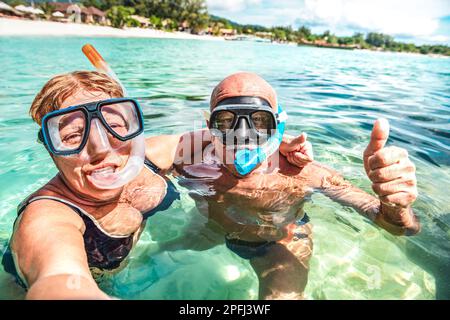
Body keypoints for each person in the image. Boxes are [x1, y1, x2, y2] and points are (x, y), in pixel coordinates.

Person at [2, 70, 311, 299]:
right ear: (50, 148)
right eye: (71, 136)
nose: (101, 149)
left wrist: (271, 141)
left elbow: (215, 134)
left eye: (116, 127)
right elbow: (59, 279)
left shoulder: (147, 156)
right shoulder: (48, 217)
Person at [146, 72, 420, 300]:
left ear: (277, 126)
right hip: (212, 229)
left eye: (259, 122)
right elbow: (127, 155)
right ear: (209, 125)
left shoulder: (303, 174)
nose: (243, 136)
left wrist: (396, 205)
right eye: (227, 121)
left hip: (278, 243)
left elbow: (400, 227)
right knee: (164, 250)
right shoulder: (191, 158)